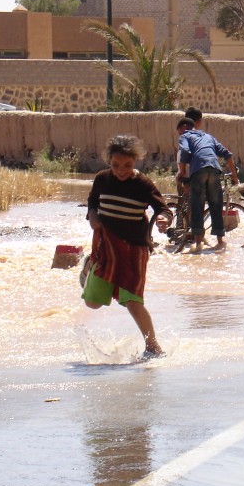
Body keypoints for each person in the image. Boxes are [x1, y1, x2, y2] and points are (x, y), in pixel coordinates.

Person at [83, 134, 172, 358]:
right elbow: (92, 200)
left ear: (135, 162)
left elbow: (163, 208)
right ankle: (88, 267)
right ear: (109, 162)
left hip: (134, 250)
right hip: (106, 247)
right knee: (92, 303)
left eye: (127, 165)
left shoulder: (143, 184)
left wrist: (163, 219)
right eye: (115, 165)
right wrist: (92, 215)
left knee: (133, 301)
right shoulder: (102, 179)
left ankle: (153, 347)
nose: (121, 170)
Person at [177, 107, 239, 254]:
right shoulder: (208, 136)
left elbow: (184, 151)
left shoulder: (185, 136)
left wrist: (182, 171)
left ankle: (198, 244)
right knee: (216, 205)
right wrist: (234, 175)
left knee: (197, 205)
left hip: (198, 170)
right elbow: (227, 154)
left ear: (184, 127)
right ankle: (220, 242)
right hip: (214, 169)